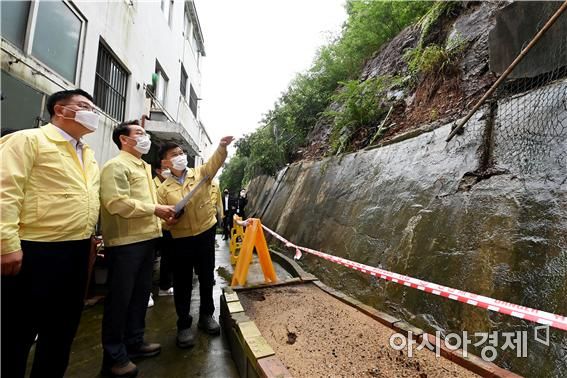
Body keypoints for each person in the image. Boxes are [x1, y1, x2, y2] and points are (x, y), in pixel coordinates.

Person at [1, 89, 101, 378]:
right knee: (16, 334)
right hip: (32, 251)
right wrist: (6, 245)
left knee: (61, 332)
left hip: (76, 251)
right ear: (61, 109)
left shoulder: (86, 153)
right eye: (84, 106)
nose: (92, 113)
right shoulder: (28, 140)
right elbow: (5, 192)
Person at [99, 120, 176, 377]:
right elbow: (116, 203)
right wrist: (155, 210)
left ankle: (134, 342)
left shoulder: (143, 166)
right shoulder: (116, 166)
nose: (145, 138)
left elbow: (149, 202)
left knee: (140, 296)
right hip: (125, 243)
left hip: (147, 239)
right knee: (120, 300)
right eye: (139, 133)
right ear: (124, 139)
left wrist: (162, 215)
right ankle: (114, 356)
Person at [157, 137, 234, 348]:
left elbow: (214, 164)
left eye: (181, 152)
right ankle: (183, 324)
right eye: (174, 154)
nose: (180, 156)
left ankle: (206, 317)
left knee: (207, 276)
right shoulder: (163, 190)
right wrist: (170, 221)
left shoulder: (200, 173)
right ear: (165, 162)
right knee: (182, 282)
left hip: (205, 234)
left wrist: (221, 147)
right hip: (180, 239)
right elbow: (162, 221)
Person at [153, 162, 174, 299]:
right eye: (165, 169)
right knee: (150, 260)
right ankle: (147, 292)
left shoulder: (171, 184)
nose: (168, 171)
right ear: (158, 170)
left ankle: (164, 286)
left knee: (167, 258)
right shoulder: (151, 184)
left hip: (166, 226)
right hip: (153, 226)